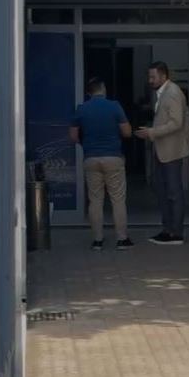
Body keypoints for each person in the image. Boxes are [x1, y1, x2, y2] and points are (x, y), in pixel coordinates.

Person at [70, 77, 134, 251]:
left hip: (91, 158)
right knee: (117, 199)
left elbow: (73, 136)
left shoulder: (82, 109)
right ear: (103, 89)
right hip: (113, 157)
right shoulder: (114, 106)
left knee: (95, 200)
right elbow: (127, 132)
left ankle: (97, 240)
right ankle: (122, 239)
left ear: (88, 92)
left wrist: (87, 144)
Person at [135, 61, 189, 245]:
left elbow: (176, 123)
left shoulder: (173, 93)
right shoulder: (164, 92)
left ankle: (176, 233)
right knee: (162, 191)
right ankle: (167, 230)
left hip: (171, 151)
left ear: (164, 76)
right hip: (163, 150)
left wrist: (152, 132)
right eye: (149, 76)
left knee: (174, 192)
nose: (150, 80)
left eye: (153, 77)